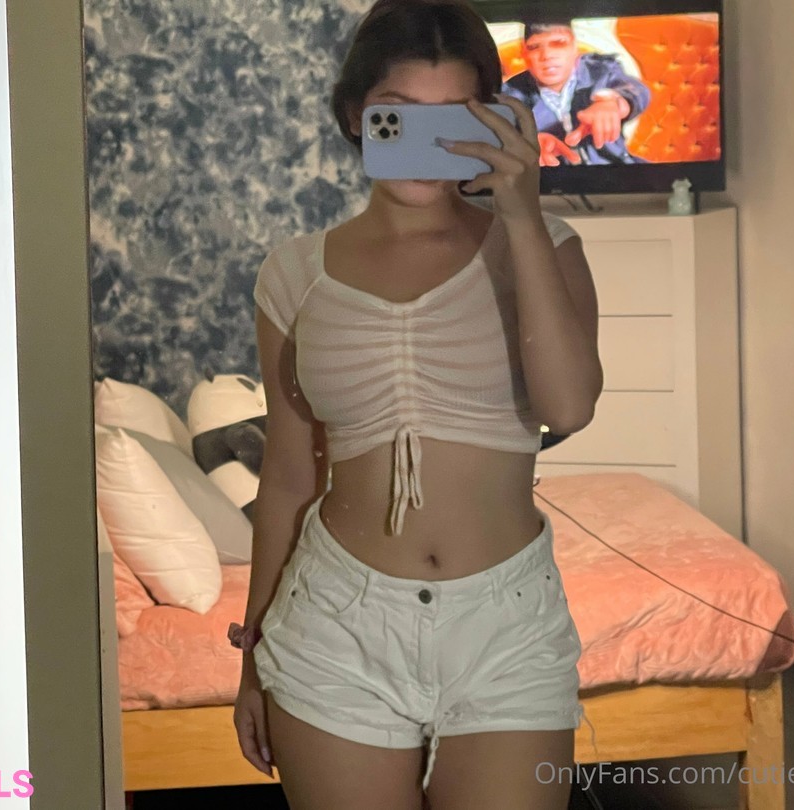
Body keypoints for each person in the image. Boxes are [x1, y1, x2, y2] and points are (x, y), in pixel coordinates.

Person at [232, 1, 603, 807]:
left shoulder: (545, 248)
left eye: (454, 119)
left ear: (492, 121)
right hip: (334, 623)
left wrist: (521, 212)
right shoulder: (294, 273)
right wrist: (252, 655)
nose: (427, 144)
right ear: (354, 115)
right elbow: (289, 477)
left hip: (507, 629)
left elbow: (570, 407)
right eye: (398, 115)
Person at [500, 19, 651, 166]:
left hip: (616, 172)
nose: (546, 55)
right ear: (524, 53)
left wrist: (615, 103)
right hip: (554, 179)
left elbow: (636, 90)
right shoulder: (511, 94)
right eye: (534, 47)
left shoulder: (600, 70)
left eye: (559, 43)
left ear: (574, 47)